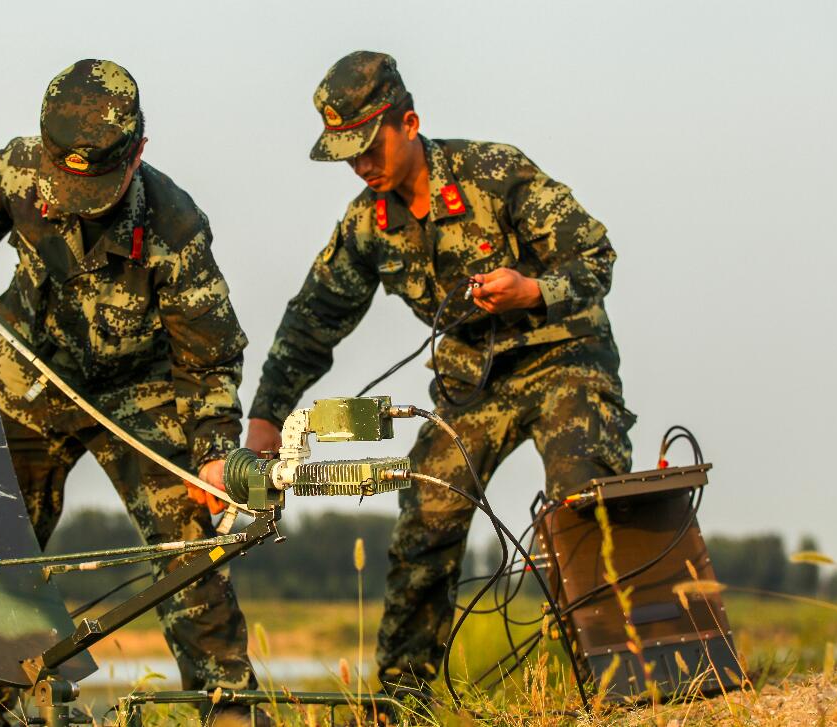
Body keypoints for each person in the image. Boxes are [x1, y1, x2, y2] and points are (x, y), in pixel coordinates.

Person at [246, 51, 636, 700]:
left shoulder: (495, 172)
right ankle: (402, 703)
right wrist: (264, 418)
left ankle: (627, 687)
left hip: (563, 359)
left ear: (410, 122)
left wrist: (531, 289)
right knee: (426, 514)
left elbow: (595, 257)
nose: (361, 164)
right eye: (347, 154)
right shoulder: (366, 223)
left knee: (581, 500)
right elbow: (312, 321)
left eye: (370, 146)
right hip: (471, 386)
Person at [0, 59, 259, 722]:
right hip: (29, 375)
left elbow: (211, 361)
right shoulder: (11, 171)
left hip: (137, 389)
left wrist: (214, 452)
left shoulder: (176, 228)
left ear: (138, 155)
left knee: (190, 551)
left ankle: (230, 708)